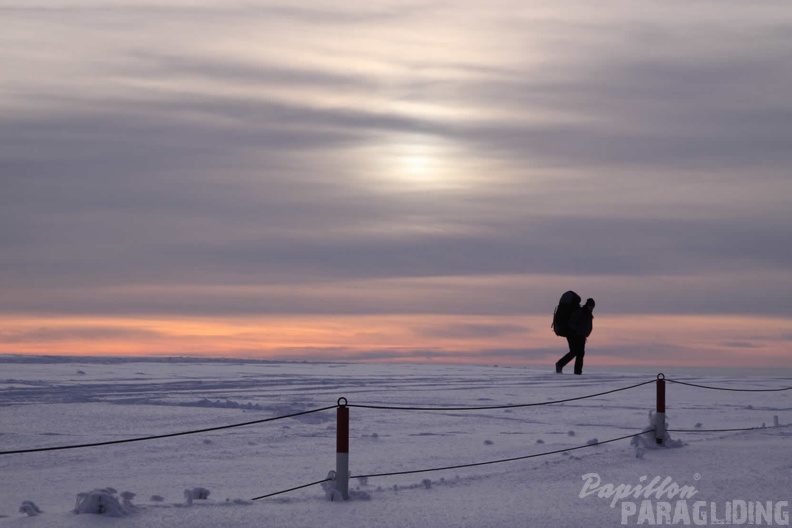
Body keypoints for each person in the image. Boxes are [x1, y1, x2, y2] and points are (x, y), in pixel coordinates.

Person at [555, 298, 595, 375]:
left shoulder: (588, 314)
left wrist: (585, 334)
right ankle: (560, 364)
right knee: (575, 352)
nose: (591, 307)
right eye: (590, 305)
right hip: (573, 334)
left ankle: (578, 372)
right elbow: (571, 322)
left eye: (592, 306)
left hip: (582, 336)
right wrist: (578, 331)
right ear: (587, 304)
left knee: (580, 353)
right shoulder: (580, 312)